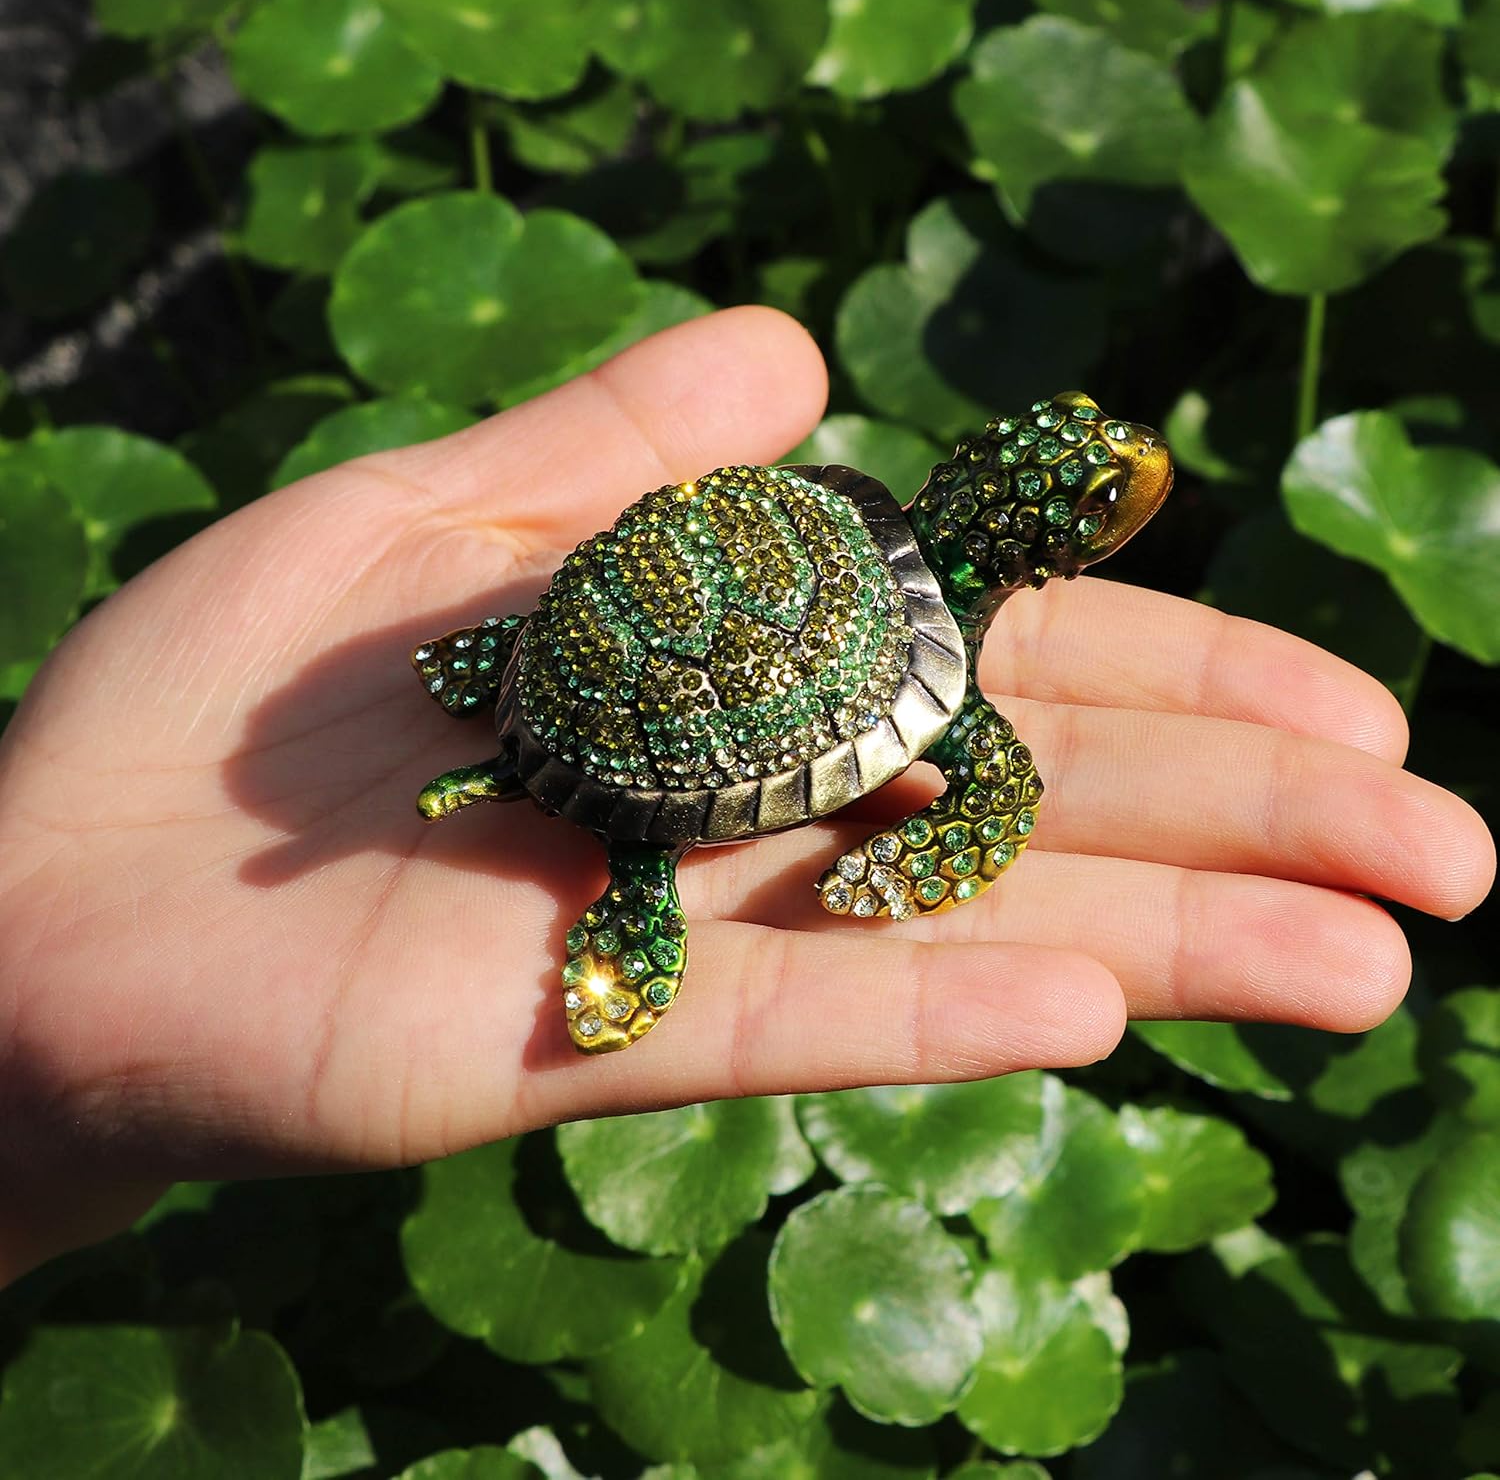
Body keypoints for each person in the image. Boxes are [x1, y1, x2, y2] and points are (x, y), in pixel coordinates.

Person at [0, 308, 1492, 1285]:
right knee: (690, 837)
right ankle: (637, 904)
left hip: (543, 656)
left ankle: (527, 724)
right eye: (1099, 493)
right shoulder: (936, 671)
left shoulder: (829, 495)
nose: (1125, 478)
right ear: (1046, 548)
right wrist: (915, 866)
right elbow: (974, 770)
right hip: (635, 747)